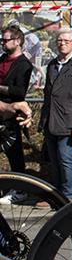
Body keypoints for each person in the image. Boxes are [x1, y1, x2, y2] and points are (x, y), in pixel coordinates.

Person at [38, 28, 72, 201]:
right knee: (54, 161)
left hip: (69, 123)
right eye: (59, 41)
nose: (62, 44)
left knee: (65, 159)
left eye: (66, 41)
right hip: (51, 121)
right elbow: (48, 95)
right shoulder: (53, 65)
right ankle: (57, 196)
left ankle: (68, 196)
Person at [0, 24, 33, 191]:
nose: (2, 43)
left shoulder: (23, 64)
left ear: (17, 41)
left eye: (5, 40)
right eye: (1, 40)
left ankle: (20, 189)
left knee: (14, 152)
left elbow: (19, 91)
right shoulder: (1, 60)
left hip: (12, 114)